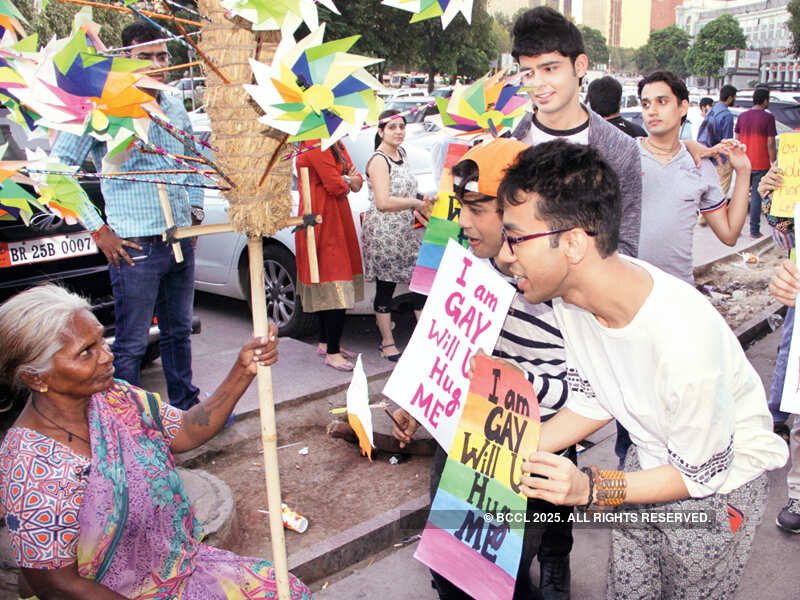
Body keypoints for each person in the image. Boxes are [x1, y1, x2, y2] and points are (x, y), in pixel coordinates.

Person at [496, 140, 787, 599]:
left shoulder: (682, 339)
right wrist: (505, 452)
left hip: (716, 494)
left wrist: (588, 487)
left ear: (573, 242)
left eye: (515, 238)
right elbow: (594, 398)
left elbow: (697, 476)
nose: (504, 256)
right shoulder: (574, 296)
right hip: (646, 464)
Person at [0, 285, 312, 599]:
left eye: (100, 341)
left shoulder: (116, 397)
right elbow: (56, 585)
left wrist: (244, 369)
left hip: (175, 572)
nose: (107, 355)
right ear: (37, 378)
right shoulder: (31, 466)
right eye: (86, 352)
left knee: (287, 591)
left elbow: (187, 430)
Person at [52, 21, 204, 410]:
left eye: (161, 56)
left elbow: (191, 160)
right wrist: (98, 229)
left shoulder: (172, 104)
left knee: (178, 332)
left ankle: (185, 407)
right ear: (126, 59)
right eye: (145, 56)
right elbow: (55, 171)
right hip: (134, 245)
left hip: (179, 241)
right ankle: (127, 423)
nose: (155, 64)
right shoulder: (102, 106)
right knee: (133, 343)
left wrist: (196, 210)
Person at [509, 6, 642, 259]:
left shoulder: (620, 150)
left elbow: (625, 248)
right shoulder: (508, 142)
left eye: (550, 69)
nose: (538, 84)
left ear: (580, 66)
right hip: (512, 293)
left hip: (584, 296)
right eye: (528, 72)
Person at [636, 71, 751, 285]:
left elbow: (729, 235)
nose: (652, 111)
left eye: (662, 102)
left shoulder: (700, 165)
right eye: (645, 104)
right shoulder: (626, 154)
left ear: (683, 107)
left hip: (678, 291)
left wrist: (743, 172)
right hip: (624, 291)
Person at [362, 109, 428, 361]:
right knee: (386, 286)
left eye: (402, 126)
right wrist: (415, 202)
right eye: (392, 127)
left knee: (419, 283)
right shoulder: (379, 160)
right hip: (384, 231)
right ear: (380, 132)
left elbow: (408, 189)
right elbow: (383, 201)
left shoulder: (403, 154)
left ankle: (424, 339)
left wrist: (422, 200)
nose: (399, 131)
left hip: (406, 230)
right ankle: (387, 342)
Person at [295, 140, 364, 371]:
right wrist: (346, 179)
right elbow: (337, 186)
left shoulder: (335, 142)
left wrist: (346, 179)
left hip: (335, 214)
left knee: (332, 278)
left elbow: (358, 181)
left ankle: (327, 343)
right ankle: (332, 352)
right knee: (334, 279)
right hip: (322, 216)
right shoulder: (316, 142)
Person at [735, 87, 778, 239]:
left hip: (744, 162)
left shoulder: (743, 116)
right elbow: (771, 141)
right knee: (755, 197)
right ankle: (754, 231)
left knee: (740, 196)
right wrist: (773, 160)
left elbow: (737, 138)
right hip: (761, 163)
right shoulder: (768, 118)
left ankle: (735, 229)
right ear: (765, 100)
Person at [698, 84, 738, 200]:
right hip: (720, 159)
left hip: (707, 155)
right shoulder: (726, 115)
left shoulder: (711, 111)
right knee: (719, 196)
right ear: (730, 98)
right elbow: (727, 140)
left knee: (708, 195)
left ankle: (703, 217)